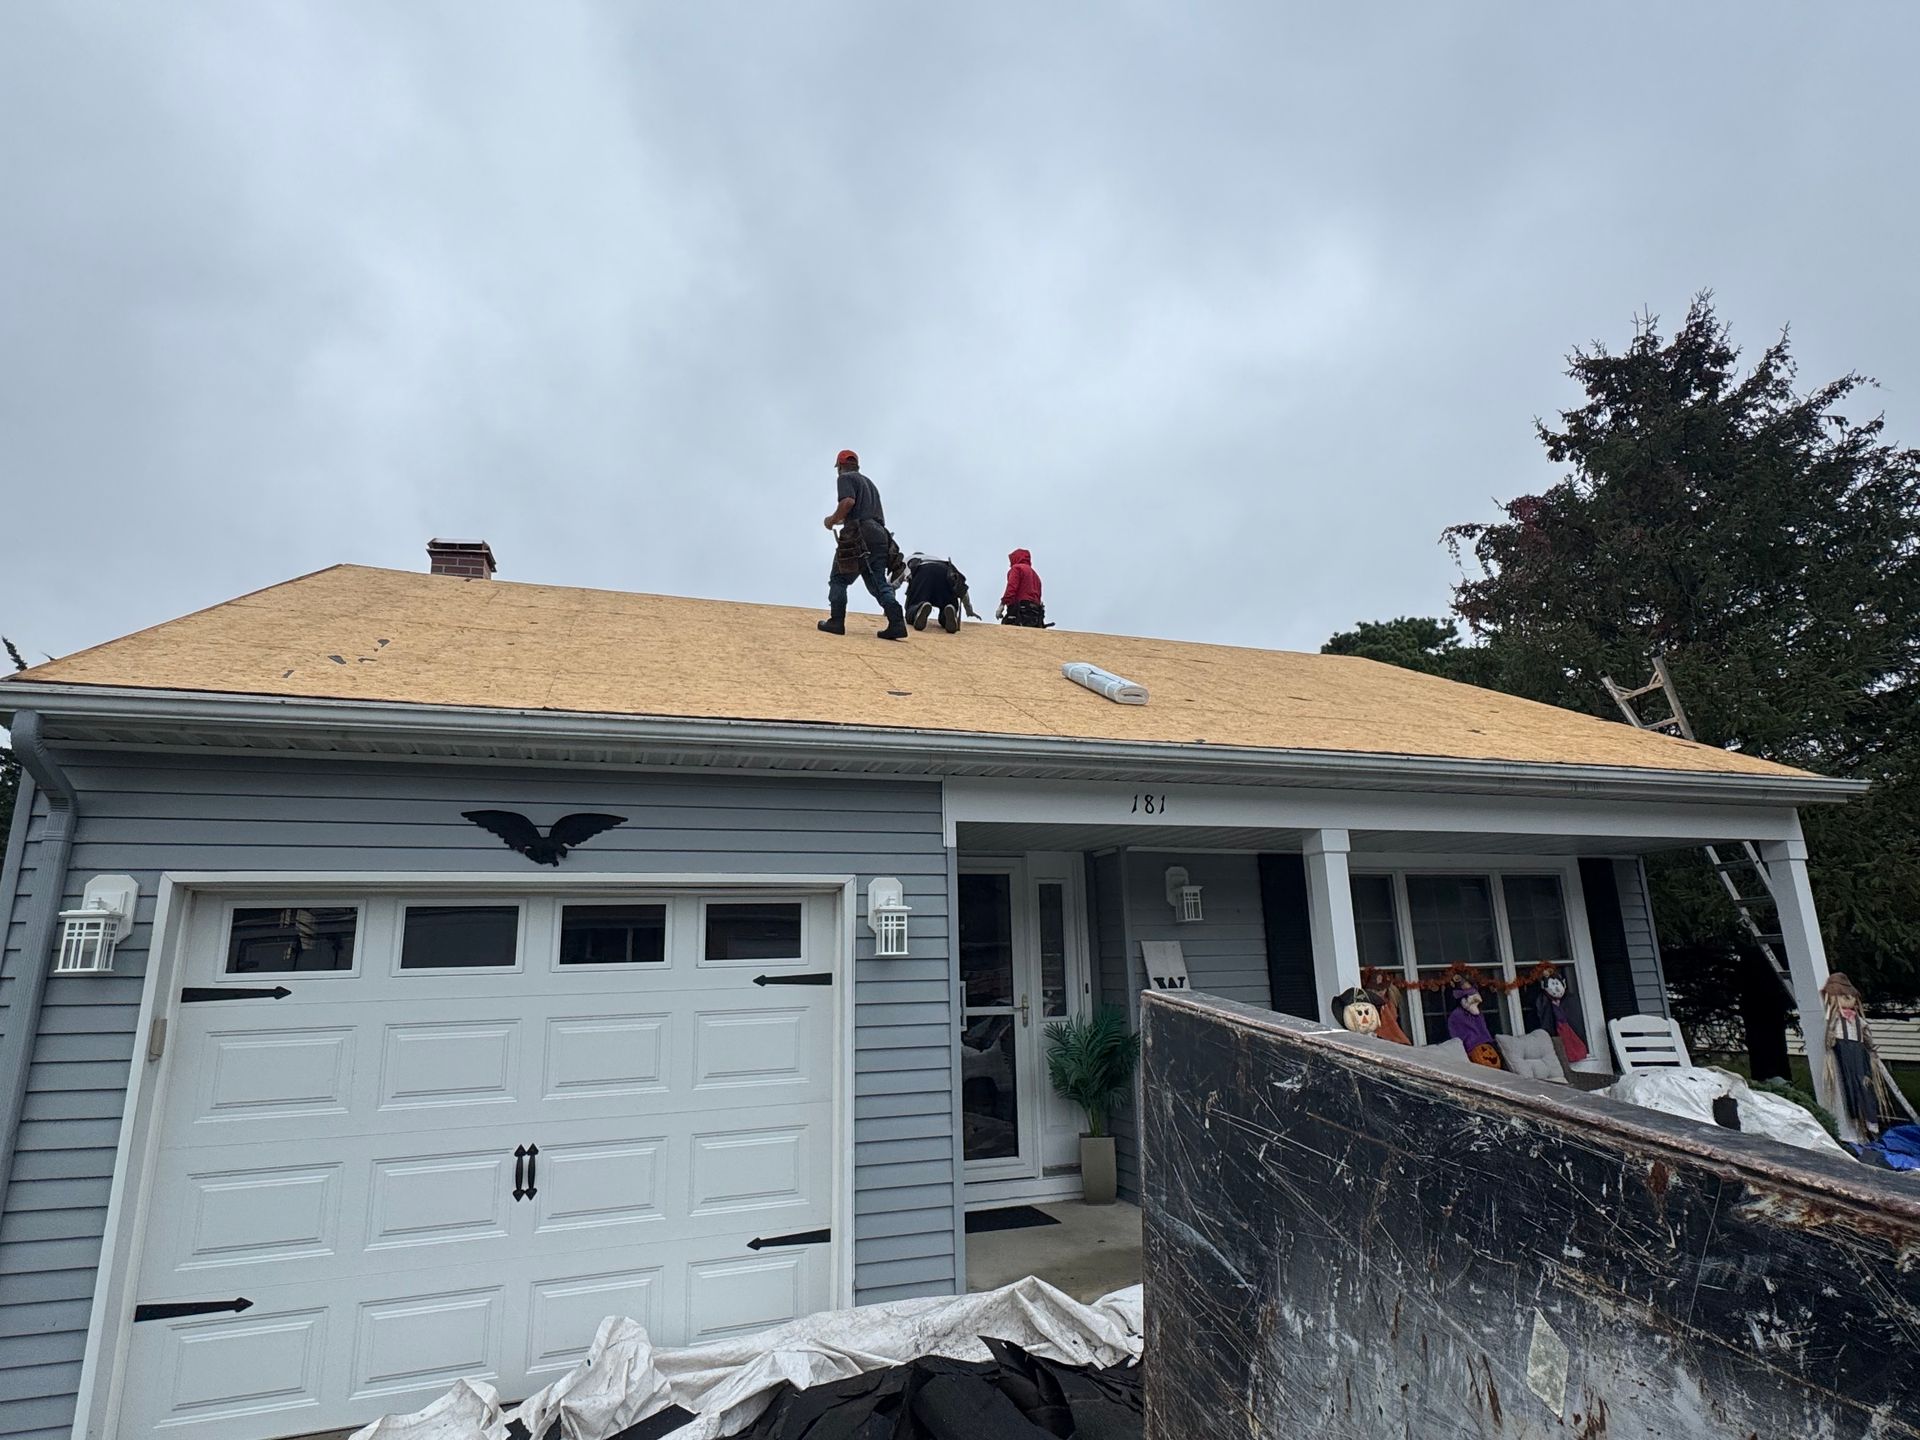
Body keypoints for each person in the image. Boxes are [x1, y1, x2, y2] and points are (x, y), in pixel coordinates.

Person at [820, 450, 908, 640]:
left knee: (839, 579)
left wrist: (832, 520)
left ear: (840, 466)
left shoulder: (845, 478)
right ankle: (896, 623)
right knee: (878, 582)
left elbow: (848, 502)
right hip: (879, 535)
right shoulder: (870, 485)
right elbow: (863, 511)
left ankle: (836, 621)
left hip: (858, 533)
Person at [903, 554, 979, 633]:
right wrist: (969, 610)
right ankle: (948, 612)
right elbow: (961, 588)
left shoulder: (906, 560)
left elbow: (892, 584)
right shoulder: (935, 558)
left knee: (914, 605)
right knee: (948, 604)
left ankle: (919, 608)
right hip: (945, 572)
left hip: (923, 572)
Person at [998, 547, 1046, 627]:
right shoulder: (1036, 576)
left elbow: (1011, 589)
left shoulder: (1017, 568)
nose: (1010, 564)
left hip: (1020, 611)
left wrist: (1002, 605)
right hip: (1035, 615)